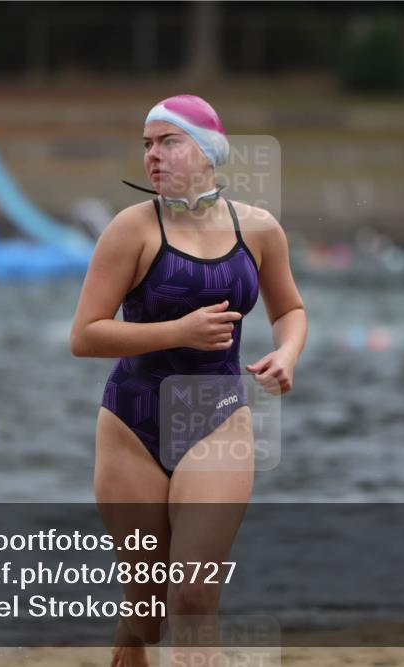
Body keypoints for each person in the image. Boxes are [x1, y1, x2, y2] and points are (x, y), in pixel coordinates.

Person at [70, 94, 307, 667]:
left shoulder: (259, 229)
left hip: (218, 417)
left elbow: (290, 311)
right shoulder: (131, 230)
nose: (153, 156)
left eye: (168, 142)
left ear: (207, 151)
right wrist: (178, 331)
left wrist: (288, 354)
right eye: (147, 145)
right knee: (149, 614)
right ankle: (132, 635)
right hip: (132, 422)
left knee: (195, 596)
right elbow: (85, 336)